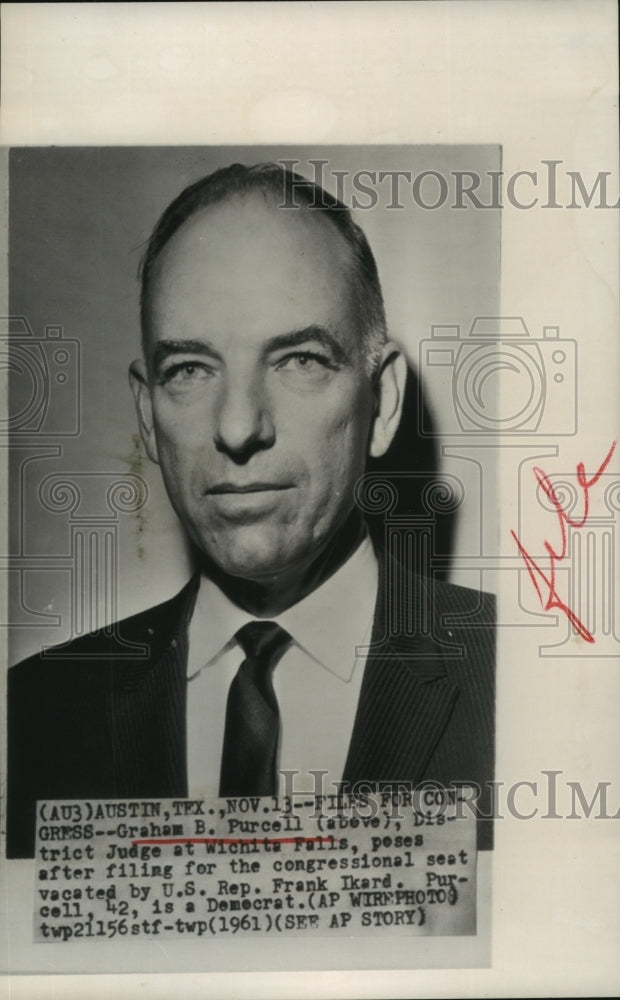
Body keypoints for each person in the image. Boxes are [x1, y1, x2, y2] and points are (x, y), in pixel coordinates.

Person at [6, 163, 495, 858]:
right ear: (147, 415)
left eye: (299, 360)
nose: (238, 428)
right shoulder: (31, 713)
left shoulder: (528, 682)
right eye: (189, 370)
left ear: (382, 403)